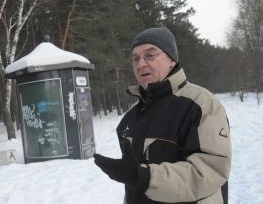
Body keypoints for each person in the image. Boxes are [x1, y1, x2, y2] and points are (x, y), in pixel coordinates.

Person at [93, 27, 231, 204]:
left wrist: (144, 177)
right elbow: (133, 183)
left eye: (149, 55)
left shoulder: (201, 105)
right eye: (135, 58)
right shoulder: (130, 117)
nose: (140, 64)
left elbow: (210, 171)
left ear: (172, 60)